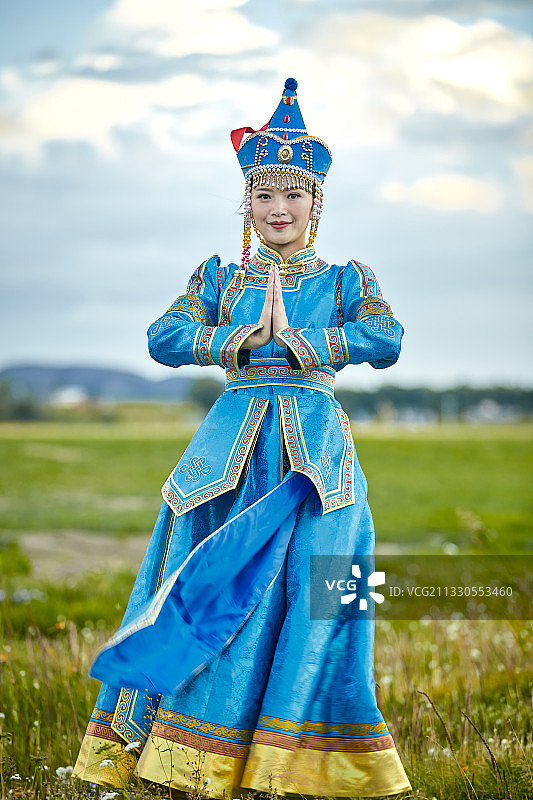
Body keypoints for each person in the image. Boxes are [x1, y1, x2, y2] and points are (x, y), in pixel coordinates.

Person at [73, 78, 412, 798]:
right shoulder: (217, 276)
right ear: (247, 204)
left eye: (294, 195)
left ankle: (295, 763)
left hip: (318, 466)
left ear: (316, 204)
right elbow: (163, 337)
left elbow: (385, 339)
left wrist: (303, 341)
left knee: (321, 592)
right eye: (264, 196)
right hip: (223, 466)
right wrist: (238, 337)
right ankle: (187, 757)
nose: (278, 209)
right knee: (208, 589)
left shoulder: (348, 277)